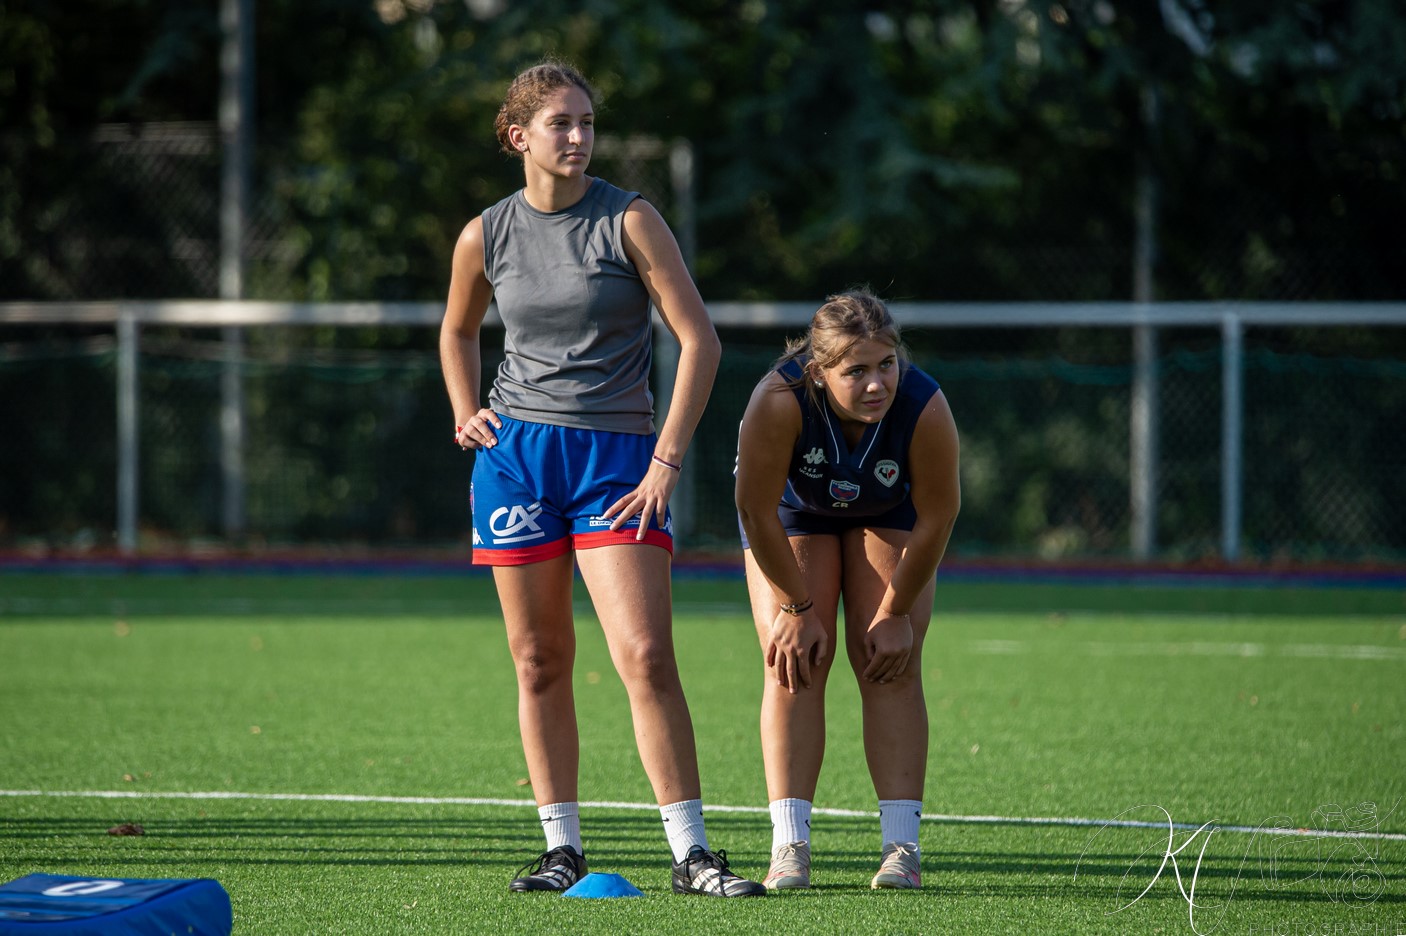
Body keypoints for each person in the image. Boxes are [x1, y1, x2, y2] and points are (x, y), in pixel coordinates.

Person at [439, 60, 765, 898]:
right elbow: (456, 329)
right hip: (514, 459)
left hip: (618, 461)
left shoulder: (630, 219)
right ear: (518, 137)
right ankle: (561, 850)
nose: (579, 137)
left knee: (647, 656)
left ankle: (692, 854)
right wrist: (464, 409)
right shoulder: (485, 233)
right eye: (561, 123)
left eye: (586, 122)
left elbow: (701, 342)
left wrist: (666, 460)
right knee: (539, 659)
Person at [734, 289, 960, 891]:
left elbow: (939, 516)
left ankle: (901, 849)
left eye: (885, 364)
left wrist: (895, 612)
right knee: (794, 662)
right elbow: (754, 511)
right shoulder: (778, 400)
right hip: (791, 514)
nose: (875, 383)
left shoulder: (924, 405)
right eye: (855, 370)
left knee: (890, 661)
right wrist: (797, 606)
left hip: (889, 511)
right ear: (819, 370)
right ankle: (789, 847)